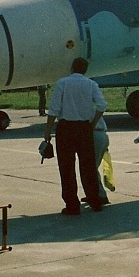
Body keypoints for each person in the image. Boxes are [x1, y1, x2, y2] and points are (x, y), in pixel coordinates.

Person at [44, 57, 107, 215]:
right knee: (88, 166)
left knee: (66, 168)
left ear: (72, 68)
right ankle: (95, 200)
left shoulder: (62, 83)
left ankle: (72, 204)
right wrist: (92, 123)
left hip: (66, 128)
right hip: (84, 128)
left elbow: (54, 109)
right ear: (85, 70)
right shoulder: (91, 84)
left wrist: (47, 131)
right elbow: (101, 105)